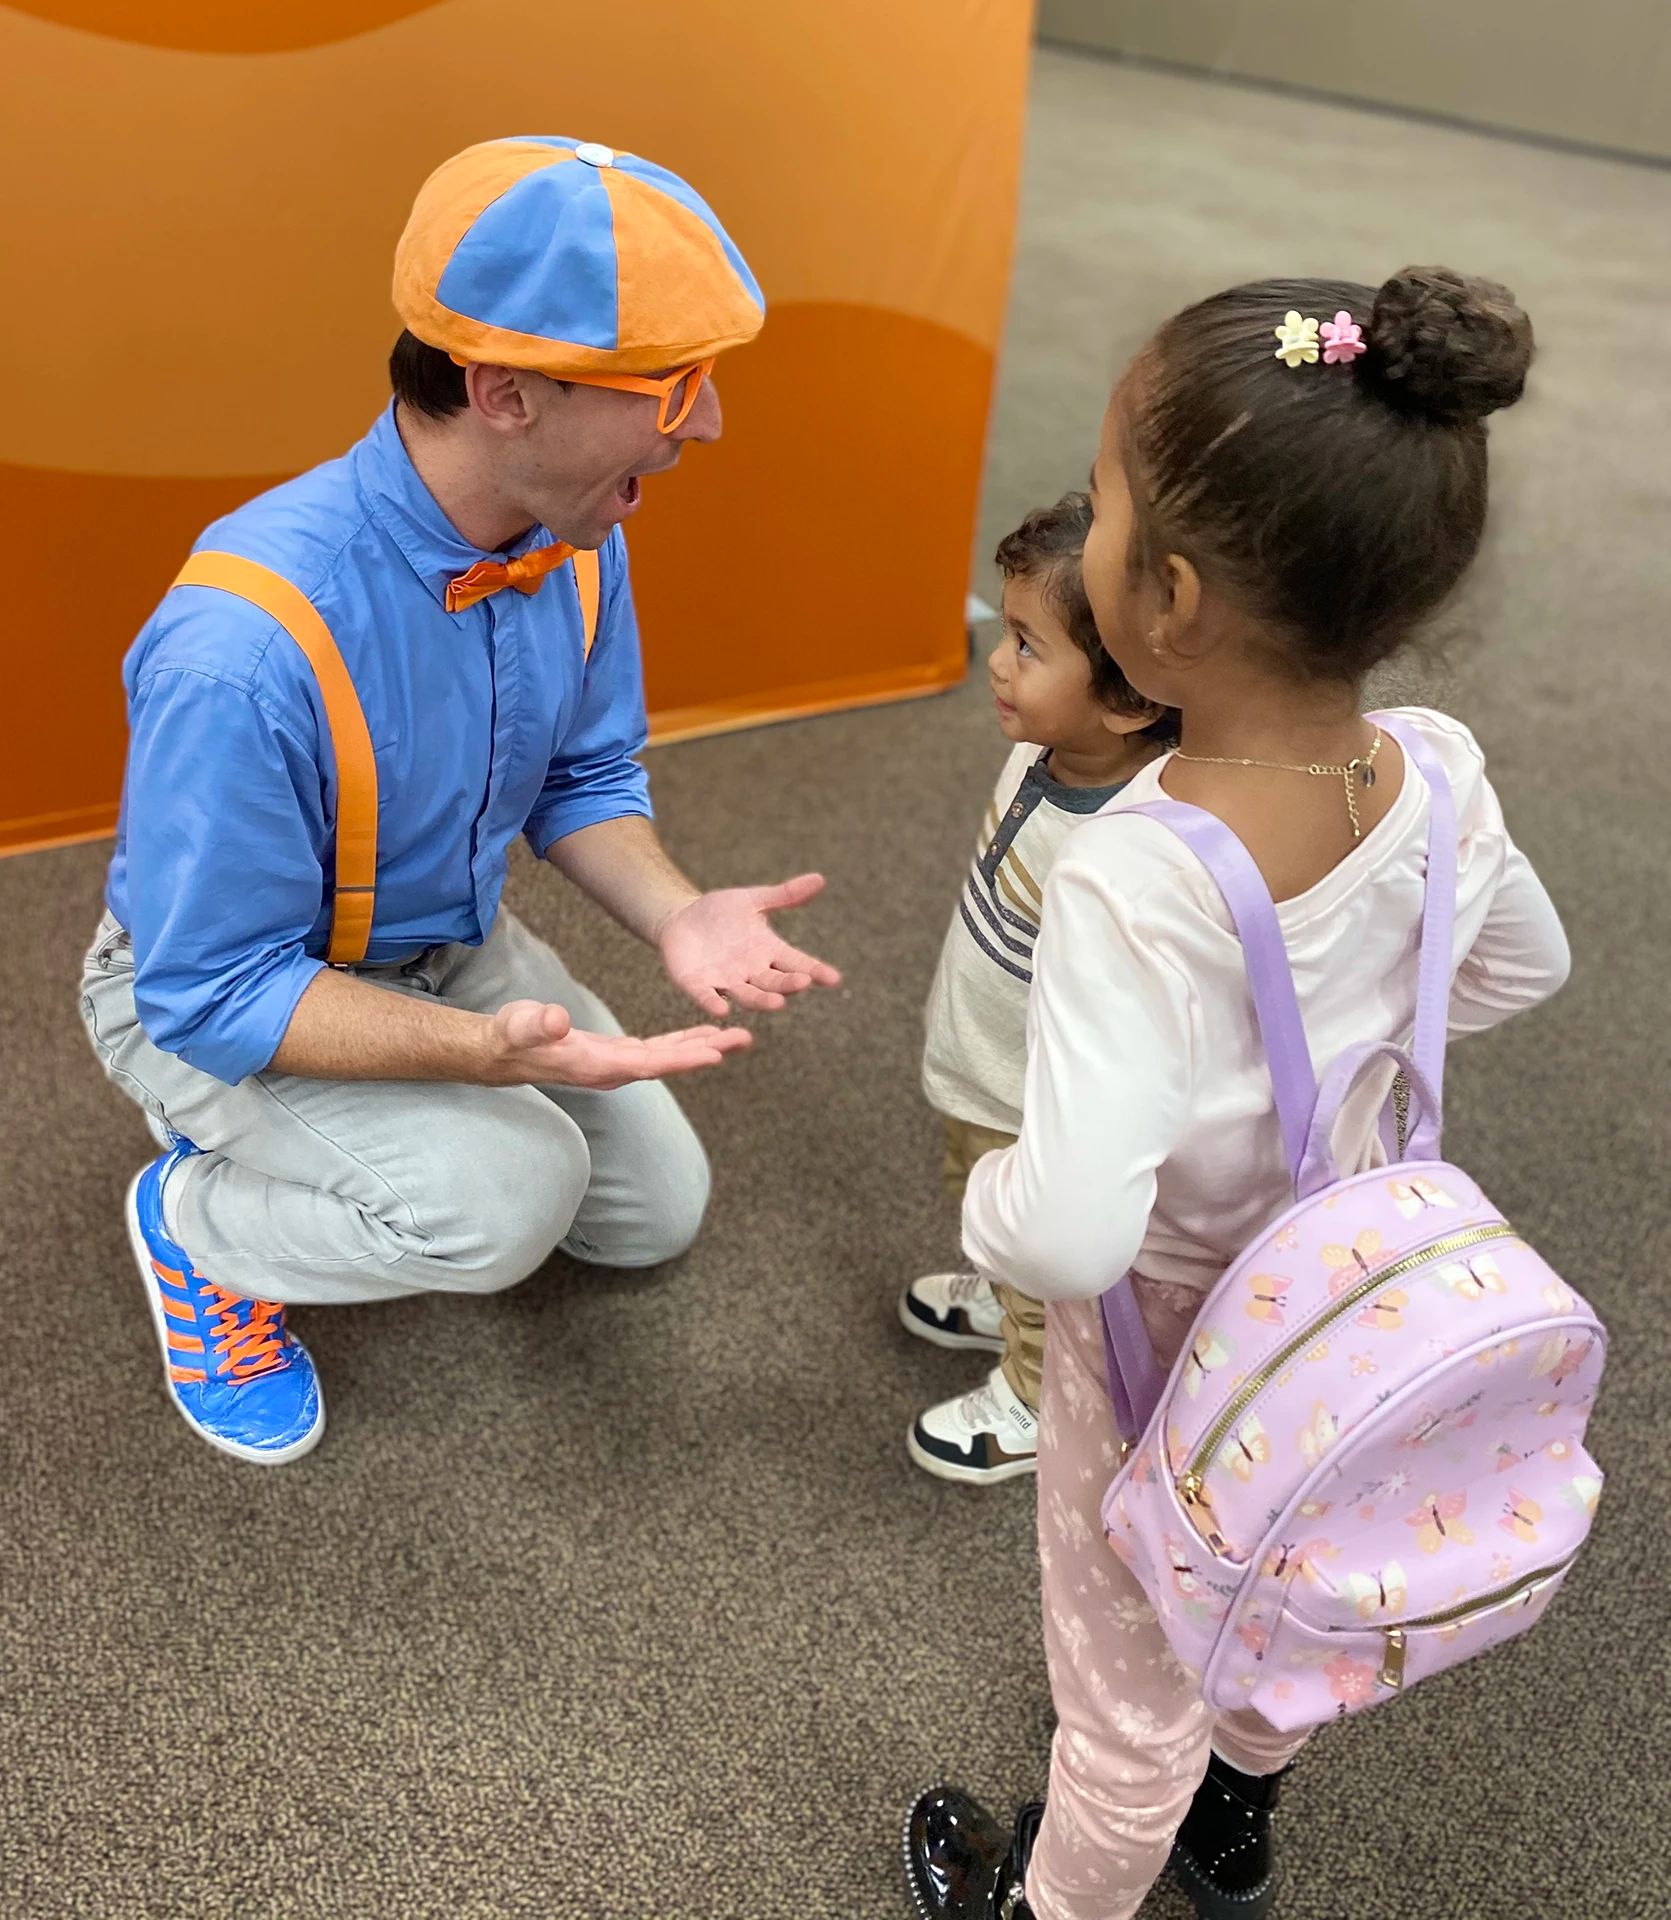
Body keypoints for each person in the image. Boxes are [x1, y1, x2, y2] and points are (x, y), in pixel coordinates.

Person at [901, 267, 1570, 1920]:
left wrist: (985, 1197)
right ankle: (1236, 1814)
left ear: (1173, 602)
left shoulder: (1138, 870)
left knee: (1126, 1687)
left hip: (1170, 1345)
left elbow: (1064, 1228)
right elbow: (1518, 970)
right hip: (1355, 1301)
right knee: (1290, 1566)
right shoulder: (1440, 763)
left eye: (1110, 505)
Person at [80, 136, 838, 1467]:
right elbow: (208, 990)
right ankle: (193, 1221)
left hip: (448, 947)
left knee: (651, 1213)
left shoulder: (579, 533)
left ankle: (324, 1141)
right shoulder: (242, 646)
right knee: (508, 1203)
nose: (706, 421)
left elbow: (583, 776)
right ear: (502, 393)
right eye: (669, 387)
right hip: (217, 993)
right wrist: (485, 1059)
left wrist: (672, 916)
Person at [900, 494, 1176, 1484]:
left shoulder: (1123, 842)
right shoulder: (1047, 750)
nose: (997, 661)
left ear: (1132, 699)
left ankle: (1031, 1390)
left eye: (1027, 644)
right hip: (979, 1056)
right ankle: (1005, 1287)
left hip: (1032, 1099)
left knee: (1033, 1245)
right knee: (979, 1198)